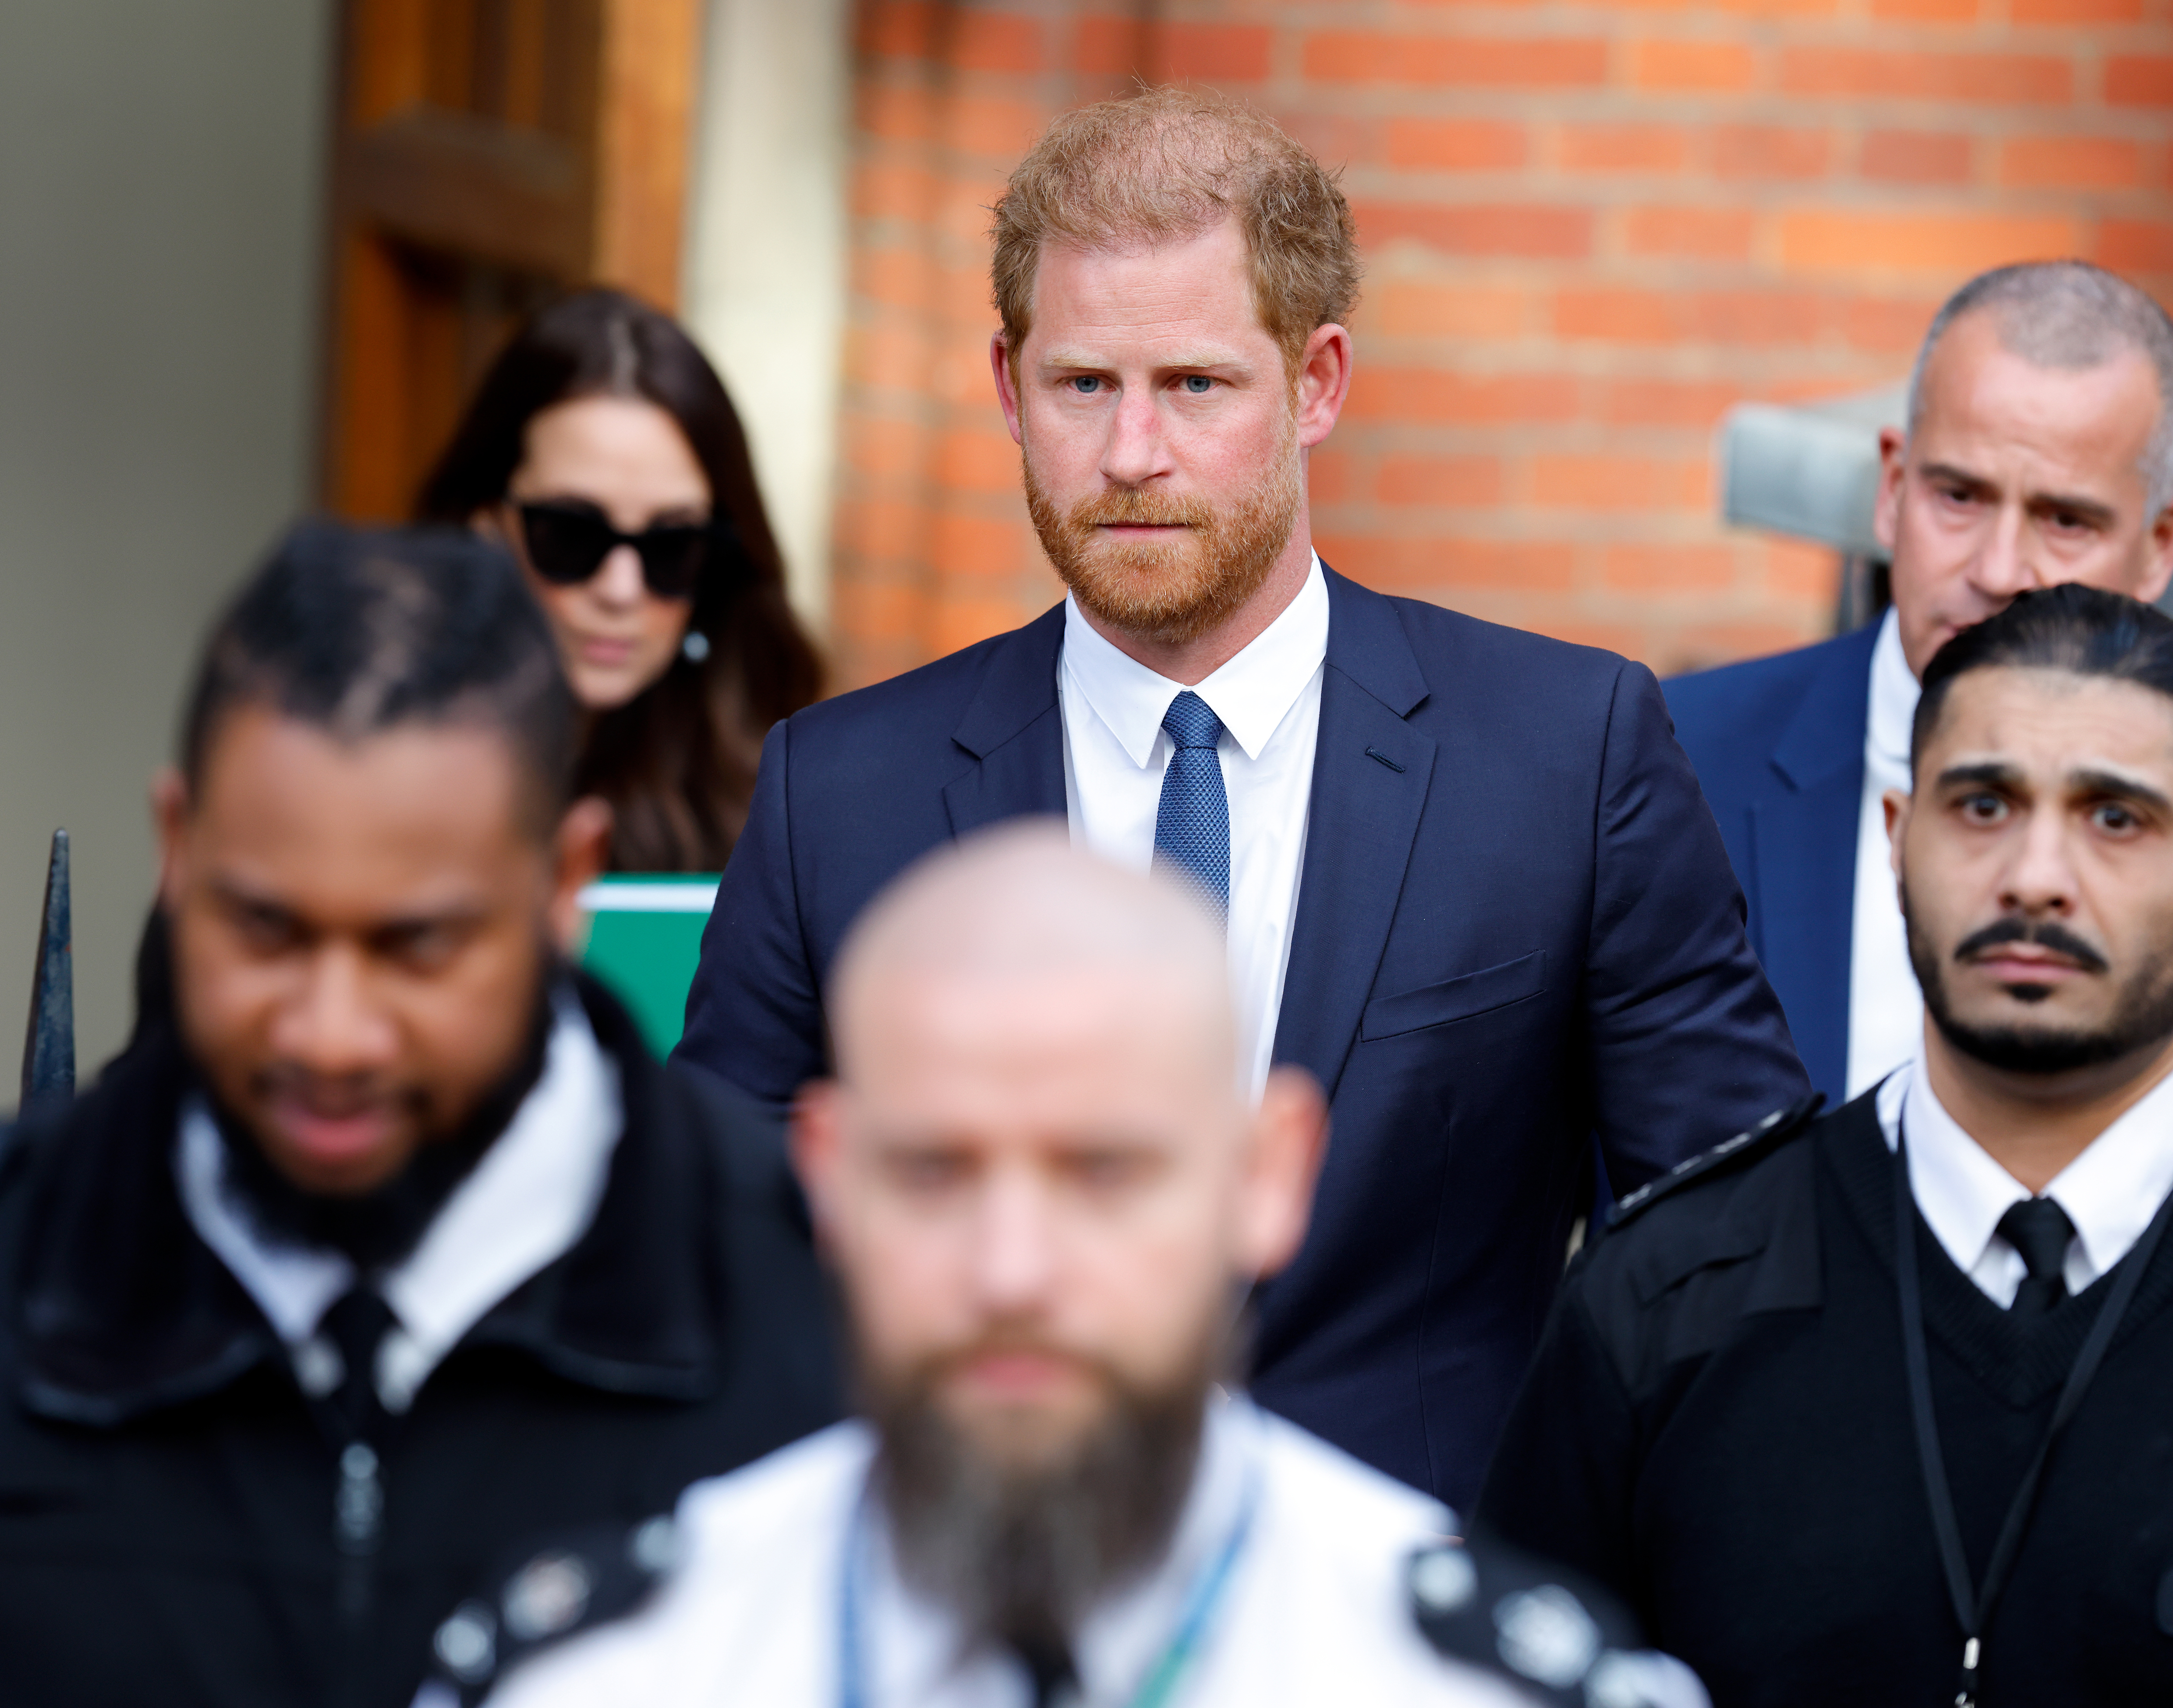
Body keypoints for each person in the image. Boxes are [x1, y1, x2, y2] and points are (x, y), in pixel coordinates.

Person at [675, 89, 1808, 1510]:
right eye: (1082, 384)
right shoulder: (837, 789)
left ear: (1317, 380)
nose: (1132, 452)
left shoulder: (1562, 751)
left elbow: (1735, 1255)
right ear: (1006, 381)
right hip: (971, 1588)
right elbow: (710, 1255)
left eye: (1195, 386)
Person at [449, 829, 1707, 1708]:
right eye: (935, 1172)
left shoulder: (1479, 1687)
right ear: (825, 1176)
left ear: (1265, 1177)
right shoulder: (602, 1672)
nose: (1012, 1270)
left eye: (1103, 1174)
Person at [0, 524, 842, 1708]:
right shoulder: (21, 1260)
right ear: (177, 850)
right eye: (266, 930)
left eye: (420, 946)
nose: (331, 1034)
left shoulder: (814, 1327)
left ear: (564, 884)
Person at [1474, 585, 2173, 1705]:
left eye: (2115, 817)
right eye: (1983, 805)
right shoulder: (1670, 1298)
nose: (2035, 875)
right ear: (1898, 839)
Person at [1666, 260, 2173, 1106]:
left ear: (2162, 543)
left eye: (2065, 519)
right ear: (1891, 488)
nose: (1997, 570)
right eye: (1958, 496)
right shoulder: (1668, 768)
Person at [417, 287, 823, 872]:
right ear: (486, 523)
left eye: (671, 546)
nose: (620, 589)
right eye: (571, 533)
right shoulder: (365, 749)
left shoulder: (781, 799)